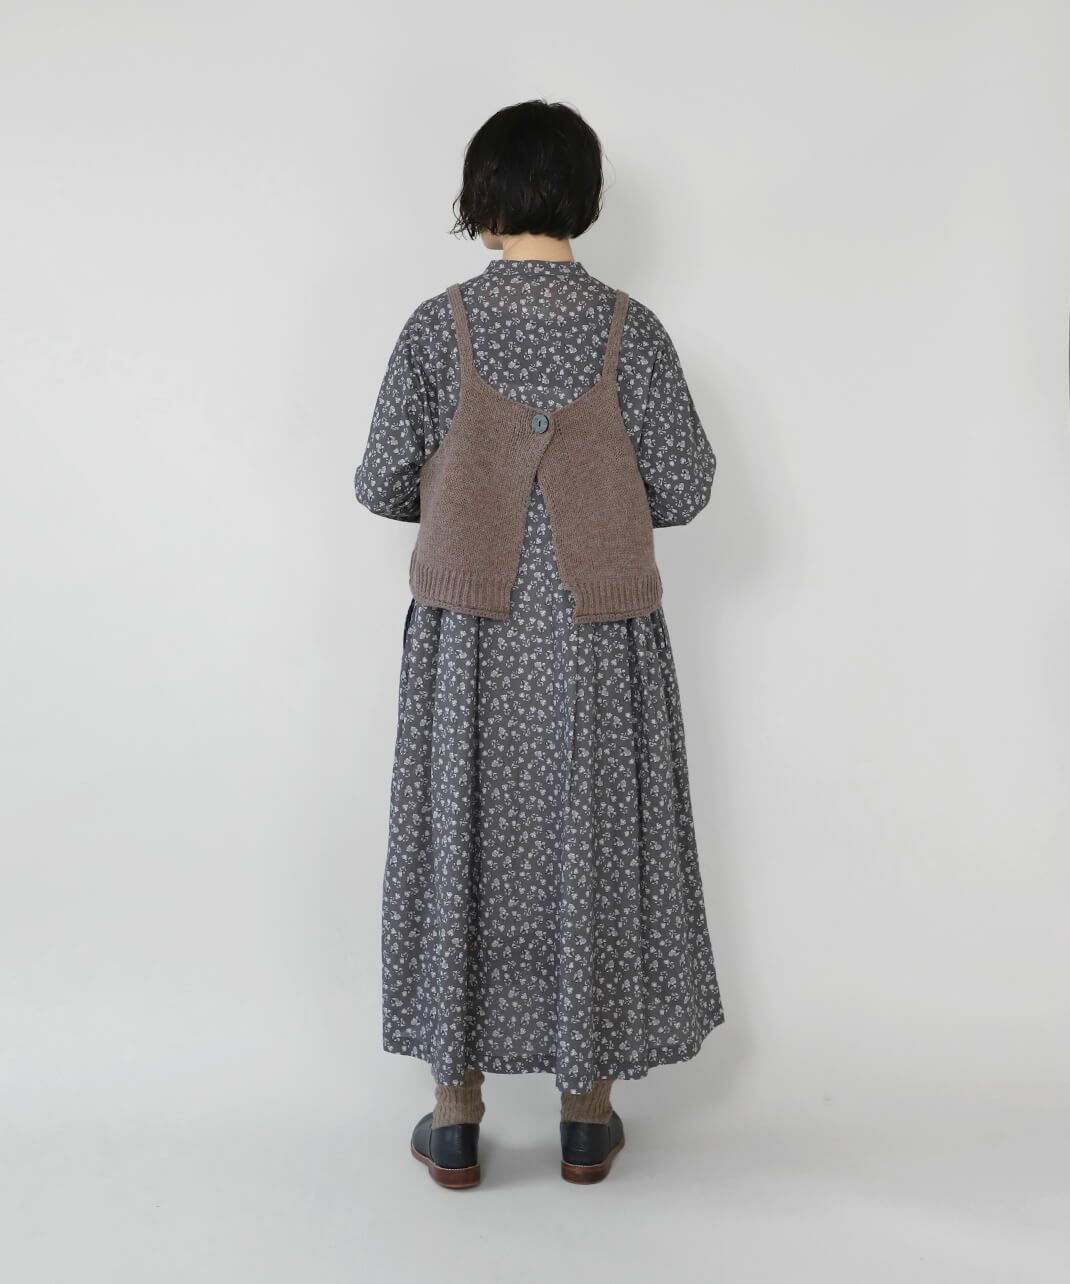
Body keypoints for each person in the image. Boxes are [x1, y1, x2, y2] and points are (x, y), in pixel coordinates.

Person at [354, 99, 724, 1189]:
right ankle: (585, 1119)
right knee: (591, 844)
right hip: (598, 641)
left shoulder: (437, 328)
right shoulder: (630, 330)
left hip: (468, 642)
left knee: (460, 840)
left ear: (483, 198)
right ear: (584, 198)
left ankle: (454, 1118)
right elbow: (686, 487)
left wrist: (462, 487)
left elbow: (380, 480)